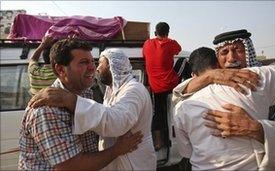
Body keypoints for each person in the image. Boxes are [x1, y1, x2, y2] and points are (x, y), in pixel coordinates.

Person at [173, 29, 275, 169]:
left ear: (249, 53)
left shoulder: (266, 79)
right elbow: (178, 95)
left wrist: (256, 128)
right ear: (217, 62)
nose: (231, 58)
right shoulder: (197, 94)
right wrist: (211, 76)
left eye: (238, 50)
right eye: (224, 52)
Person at [19, 38, 142, 170]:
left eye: (92, 62)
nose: (92, 68)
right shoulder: (46, 110)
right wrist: (117, 149)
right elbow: (72, 167)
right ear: (60, 69)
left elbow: (103, 118)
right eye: (83, 62)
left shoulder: (86, 92)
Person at [142, 22, 191, 150]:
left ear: (154, 33)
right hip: (170, 83)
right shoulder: (171, 43)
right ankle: (191, 88)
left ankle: (158, 142)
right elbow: (179, 49)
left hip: (155, 87)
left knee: (159, 113)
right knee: (184, 61)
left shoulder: (147, 44)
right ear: (168, 33)